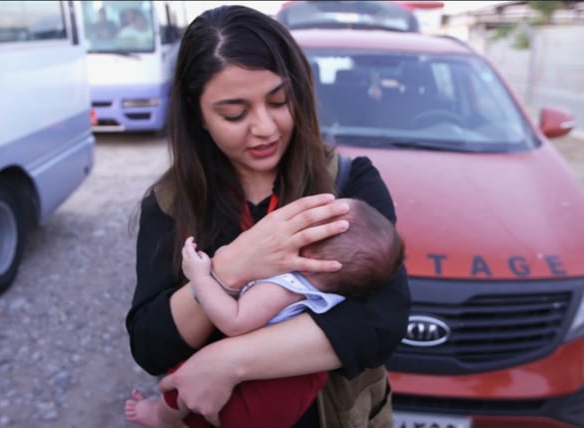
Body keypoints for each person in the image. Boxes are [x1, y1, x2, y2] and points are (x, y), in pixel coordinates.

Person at [125, 5, 411, 428]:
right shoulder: (169, 204)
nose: (265, 128)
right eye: (234, 113)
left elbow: (382, 320)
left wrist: (226, 362)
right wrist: (230, 267)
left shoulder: (348, 183)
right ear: (196, 112)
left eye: (279, 101)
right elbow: (151, 346)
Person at [125, 198, 405, 428]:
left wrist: (201, 278)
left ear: (312, 253)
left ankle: (158, 418)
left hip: (258, 395)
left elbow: (234, 321)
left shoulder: (283, 288)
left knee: (182, 384)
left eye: (316, 223)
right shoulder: (332, 293)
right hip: (291, 396)